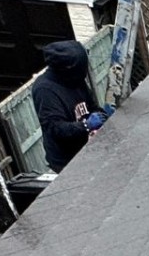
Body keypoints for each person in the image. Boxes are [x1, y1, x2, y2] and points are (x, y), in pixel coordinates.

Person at [34, 40, 112, 173]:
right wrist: (86, 126)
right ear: (67, 69)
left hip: (87, 148)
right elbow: (55, 128)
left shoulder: (74, 79)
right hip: (66, 161)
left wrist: (101, 117)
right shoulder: (44, 90)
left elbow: (91, 105)